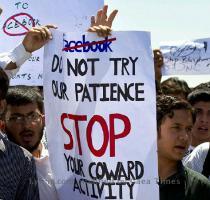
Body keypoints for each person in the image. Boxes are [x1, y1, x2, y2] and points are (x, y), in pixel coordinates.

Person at [157, 95, 210, 200]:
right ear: (155, 129)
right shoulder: (126, 181)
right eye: (176, 127)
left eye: (189, 129)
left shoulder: (199, 187)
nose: (184, 137)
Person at [0, 69, 40, 199]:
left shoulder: (22, 162)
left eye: (32, 116)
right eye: (17, 117)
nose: (27, 125)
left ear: (1, 106)